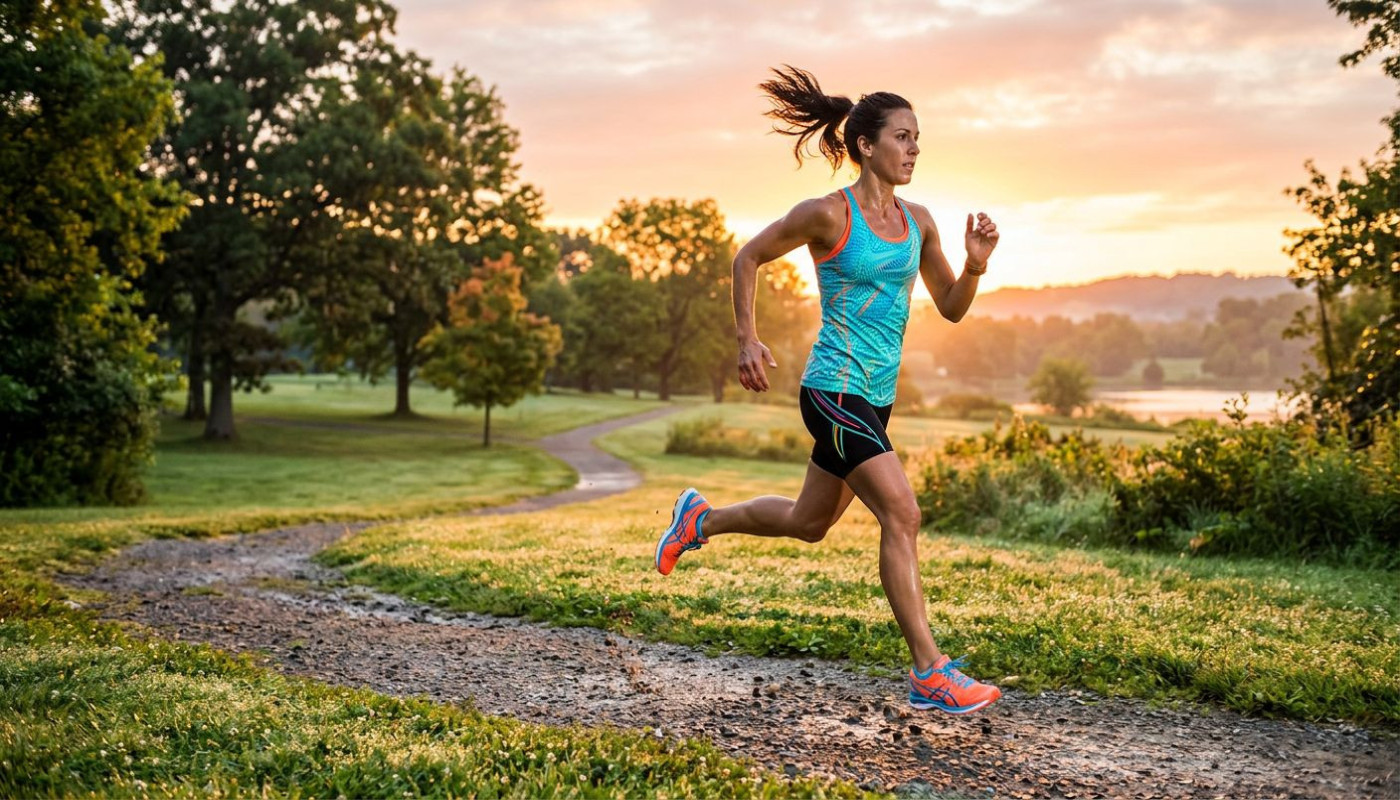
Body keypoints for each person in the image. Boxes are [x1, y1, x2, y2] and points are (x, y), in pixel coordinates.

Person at [654, 66, 1001, 715]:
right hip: (833, 392)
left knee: (807, 522)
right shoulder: (826, 214)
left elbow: (951, 307)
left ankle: (702, 519)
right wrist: (746, 339)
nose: (914, 150)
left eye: (918, 139)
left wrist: (976, 266)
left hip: (874, 398)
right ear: (866, 145)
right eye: (903, 137)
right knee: (902, 513)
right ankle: (930, 671)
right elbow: (748, 257)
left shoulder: (919, 222)